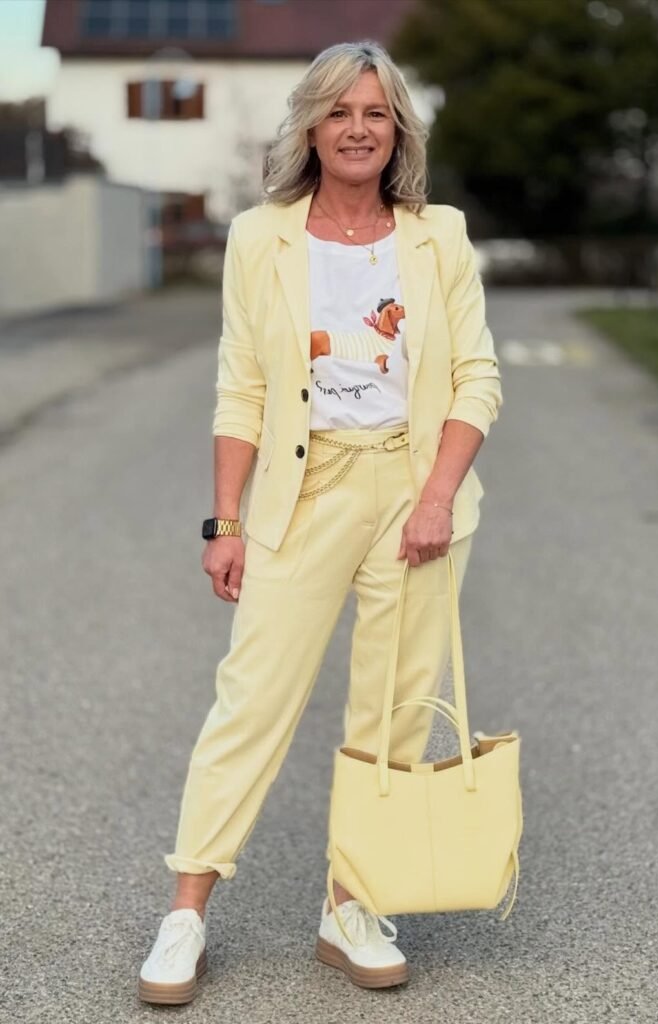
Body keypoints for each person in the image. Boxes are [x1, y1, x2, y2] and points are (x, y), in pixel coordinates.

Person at [138, 39, 503, 1004]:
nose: (356, 128)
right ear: (309, 124)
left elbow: (477, 379)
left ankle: (351, 904)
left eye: (375, 113)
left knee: (387, 712)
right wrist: (223, 523)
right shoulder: (261, 238)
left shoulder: (440, 237)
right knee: (251, 700)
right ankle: (185, 914)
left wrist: (432, 503)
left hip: (413, 494)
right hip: (300, 497)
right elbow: (241, 388)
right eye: (338, 111)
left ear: (397, 133)